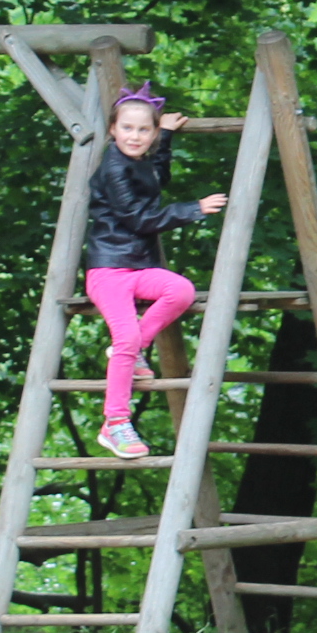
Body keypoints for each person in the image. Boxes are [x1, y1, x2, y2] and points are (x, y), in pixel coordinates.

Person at [80, 83, 227, 457]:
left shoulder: (139, 160)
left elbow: (157, 180)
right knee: (125, 337)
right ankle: (115, 422)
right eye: (127, 128)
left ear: (153, 133)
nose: (135, 136)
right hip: (108, 269)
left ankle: (134, 350)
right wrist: (192, 209)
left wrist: (167, 139)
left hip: (137, 267)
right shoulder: (114, 168)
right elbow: (139, 218)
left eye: (144, 130)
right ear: (113, 129)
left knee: (181, 290)